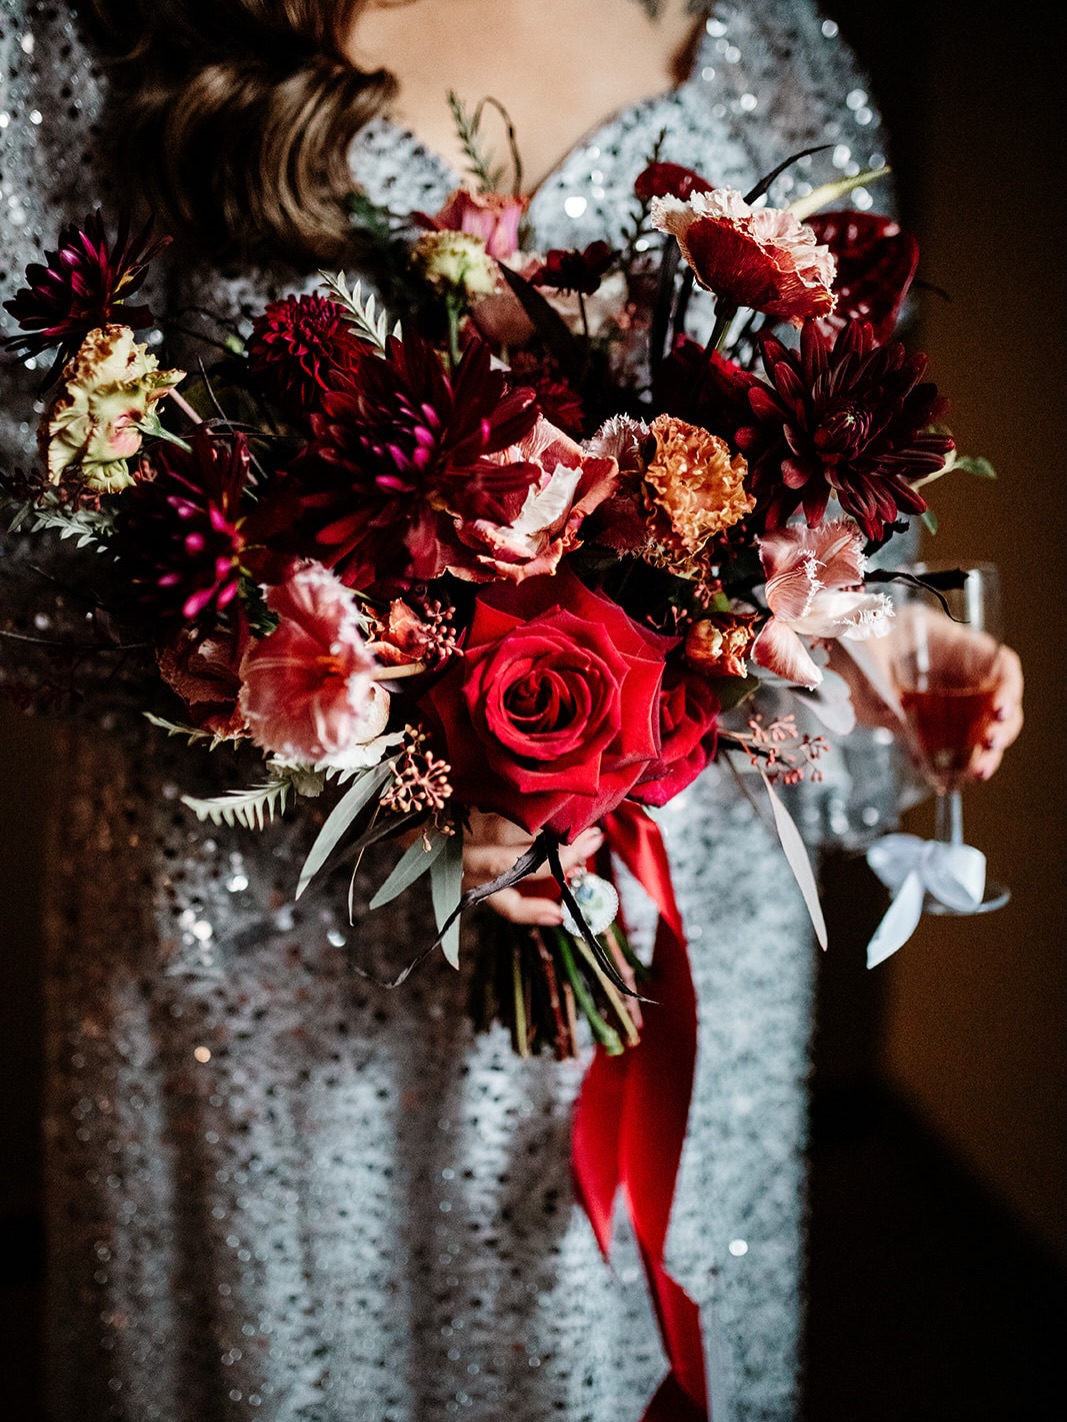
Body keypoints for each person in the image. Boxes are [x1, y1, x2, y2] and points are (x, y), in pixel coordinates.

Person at [0, 2, 1023, 1419]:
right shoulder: (101, 32)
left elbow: (837, 456)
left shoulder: (773, 39)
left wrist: (866, 645)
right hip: (269, 968)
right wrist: (395, 754)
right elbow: (36, 548)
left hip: (669, 931)